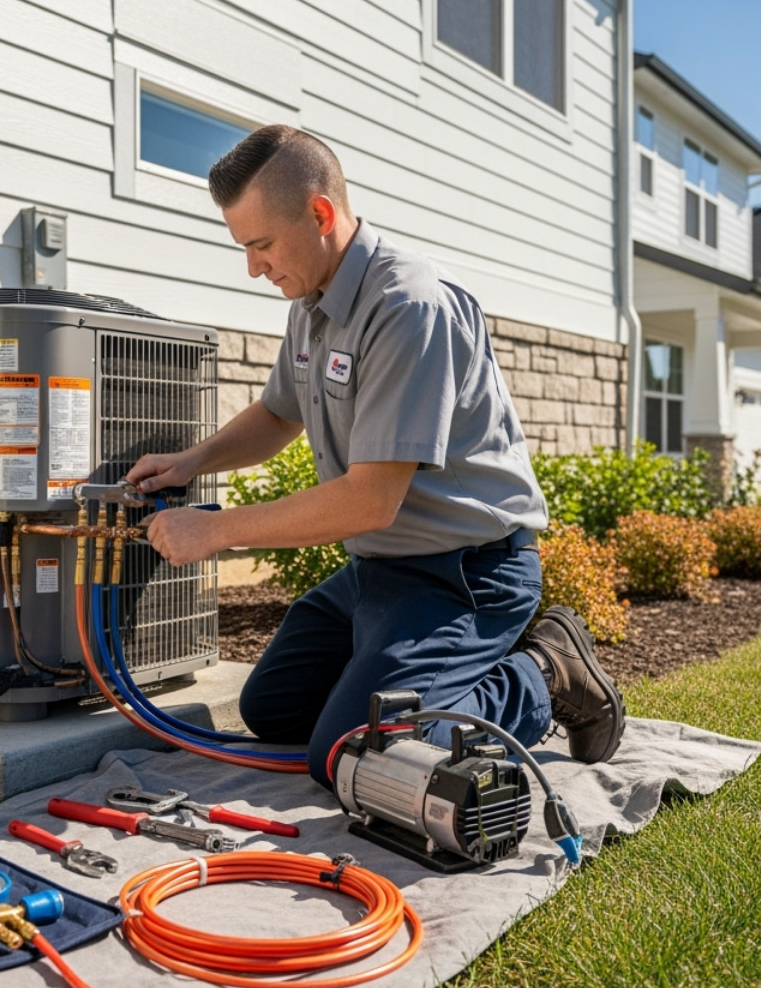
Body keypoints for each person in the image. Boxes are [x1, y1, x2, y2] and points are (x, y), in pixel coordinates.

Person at [125, 125, 624, 787]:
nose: (253, 267)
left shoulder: (408, 305)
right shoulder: (311, 301)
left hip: (466, 575)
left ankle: (545, 669)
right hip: (381, 570)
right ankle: (398, 684)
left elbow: (369, 500)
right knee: (272, 708)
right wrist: (194, 461)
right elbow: (280, 412)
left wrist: (213, 530)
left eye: (261, 245)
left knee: (359, 753)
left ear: (320, 213)